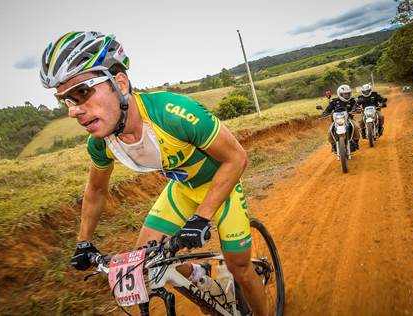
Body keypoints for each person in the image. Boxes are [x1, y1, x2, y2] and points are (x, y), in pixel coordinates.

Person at [40, 31, 267, 315]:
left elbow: (236, 158)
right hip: (181, 190)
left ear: (120, 83)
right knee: (147, 260)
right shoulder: (100, 143)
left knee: (240, 268)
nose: (73, 111)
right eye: (66, 100)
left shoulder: (174, 114)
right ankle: (199, 275)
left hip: (220, 186)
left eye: (82, 92)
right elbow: (96, 190)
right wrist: (83, 241)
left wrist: (203, 216)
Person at [321, 84, 360, 153]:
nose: (347, 95)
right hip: (337, 121)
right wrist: (325, 113)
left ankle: (356, 142)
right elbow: (328, 109)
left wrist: (356, 110)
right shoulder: (334, 101)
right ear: (340, 94)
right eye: (345, 94)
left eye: (348, 94)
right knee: (329, 131)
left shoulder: (352, 100)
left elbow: (356, 106)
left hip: (349, 119)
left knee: (356, 126)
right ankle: (333, 145)